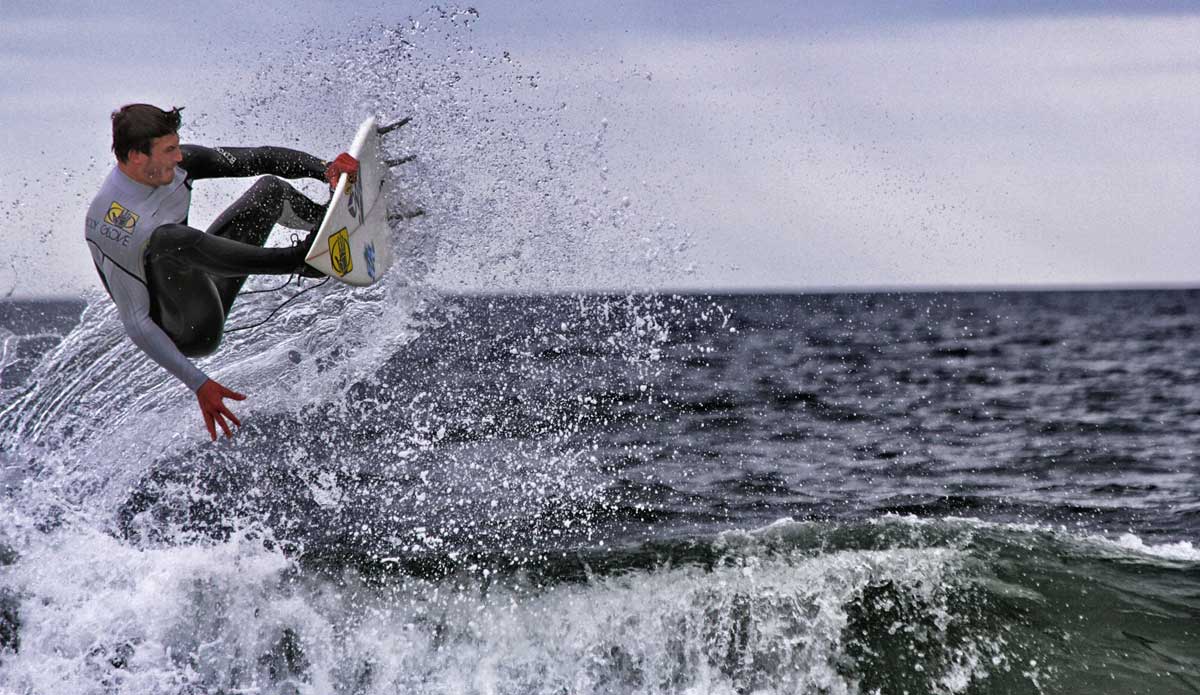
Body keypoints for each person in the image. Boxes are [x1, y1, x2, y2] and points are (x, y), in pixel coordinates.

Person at [84, 103, 360, 441]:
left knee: (269, 190)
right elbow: (137, 324)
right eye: (169, 150)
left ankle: (328, 226)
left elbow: (259, 158)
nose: (179, 157)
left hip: (204, 276)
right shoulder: (112, 223)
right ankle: (302, 260)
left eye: (176, 146)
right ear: (136, 156)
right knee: (169, 240)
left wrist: (325, 168)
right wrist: (199, 383)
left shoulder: (178, 166)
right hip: (187, 327)